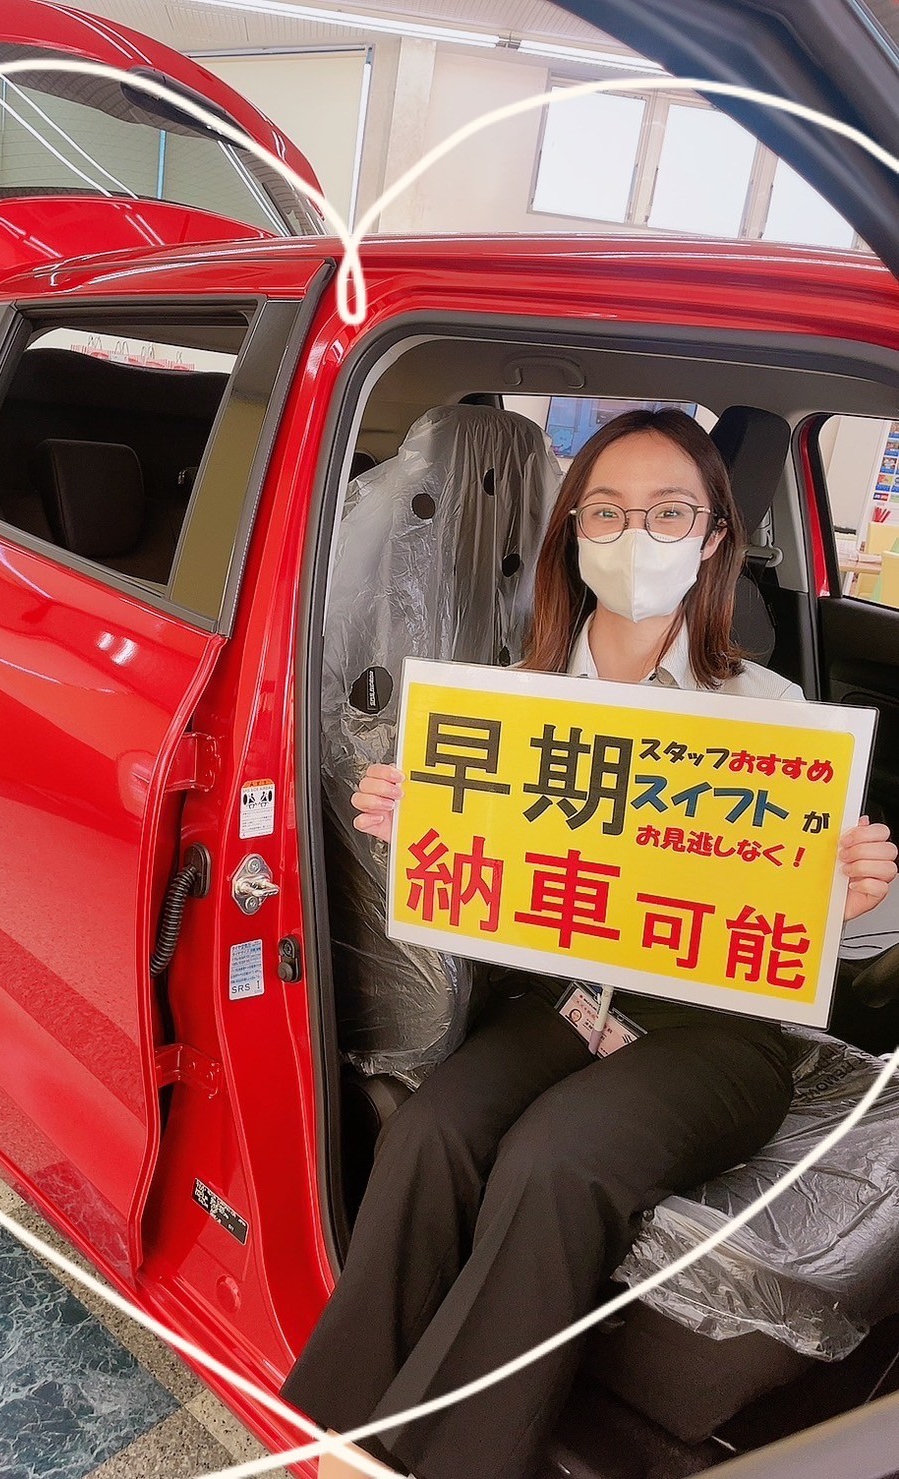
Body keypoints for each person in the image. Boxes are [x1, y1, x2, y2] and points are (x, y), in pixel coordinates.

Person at [280, 409, 898, 1479]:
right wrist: (409, 825)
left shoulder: (772, 712)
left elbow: (830, 942)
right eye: (605, 512)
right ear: (572, 532)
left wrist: (853, 898)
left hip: (720, 1031)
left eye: (668, 513)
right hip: (566, 1001)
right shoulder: (504, 704)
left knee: (556, 1159)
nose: (634, 537)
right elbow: (475, 889)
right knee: (430, 1132)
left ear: (712, 537)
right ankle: (330, 1429)